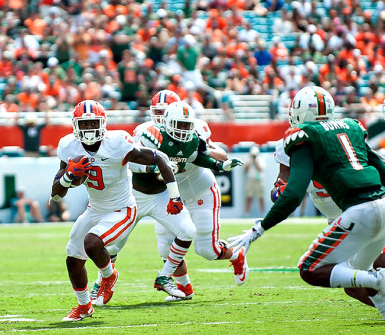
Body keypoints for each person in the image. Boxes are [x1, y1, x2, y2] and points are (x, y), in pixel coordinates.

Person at [228, 86, 385, 322]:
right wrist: (279, 189)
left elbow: (293, 193)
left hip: (357, 212)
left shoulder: (302, 138)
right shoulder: (350, 127)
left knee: (316, 268)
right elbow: (282, 185)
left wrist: (259, 228)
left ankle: (378, 280)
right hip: (354, 213)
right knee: (353, 284)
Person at [96, 96, 246, 303]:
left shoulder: (195, 135)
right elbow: (128, 162)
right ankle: (103, 283)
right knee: (123, 245)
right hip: (148, 193)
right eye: (157, 111)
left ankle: (171, 277)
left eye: (185, 125)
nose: (182, 129)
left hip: (181, 191)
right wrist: (157, 166)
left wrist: (219, 164)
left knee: (202, 246)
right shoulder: (148, 133)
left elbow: (205, 155)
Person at [52, 99, 185, 321]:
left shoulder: (117, 142)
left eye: (92, 123)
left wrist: (175, 196)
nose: (88, 128)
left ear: (103, 123)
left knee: (92, 243)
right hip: (95, 209)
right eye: (83, 124)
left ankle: (108, 275)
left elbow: (159, 157)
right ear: (75, 125)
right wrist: (67, 177)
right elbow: (56, 194)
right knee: (72, 258)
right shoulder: (68, 146)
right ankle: (84, 307)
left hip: (122, 209)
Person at [244, 145, 265, 217]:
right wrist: (250, 160)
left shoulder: (260, 159)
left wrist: (256, 160)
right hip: (250, 179)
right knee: (249, 196)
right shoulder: (248, 159)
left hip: (259, 180)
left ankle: (263, 213)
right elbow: (245, 169)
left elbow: (260, 169)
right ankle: (247, 213)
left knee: (261, 196)